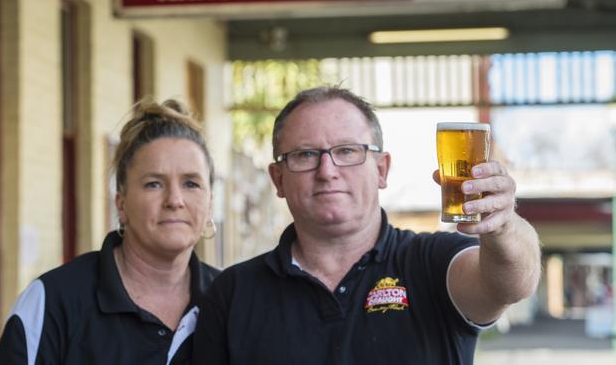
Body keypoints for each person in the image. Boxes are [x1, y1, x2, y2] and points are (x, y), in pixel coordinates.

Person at [192, 86, 541, 364]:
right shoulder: (232, 293)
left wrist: (503, 227)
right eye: (305, 155)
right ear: (278, 179)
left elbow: (511, 285)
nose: (327, 171)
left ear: (381, 170)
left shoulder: (431, 264)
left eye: (347, 151)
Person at [0, 98, 219, 364]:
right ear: (121, 204)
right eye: (154, 184)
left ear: (210, 203)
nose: (175, 200)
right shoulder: (52, 303)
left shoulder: (231, 301)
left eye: (191, 183)